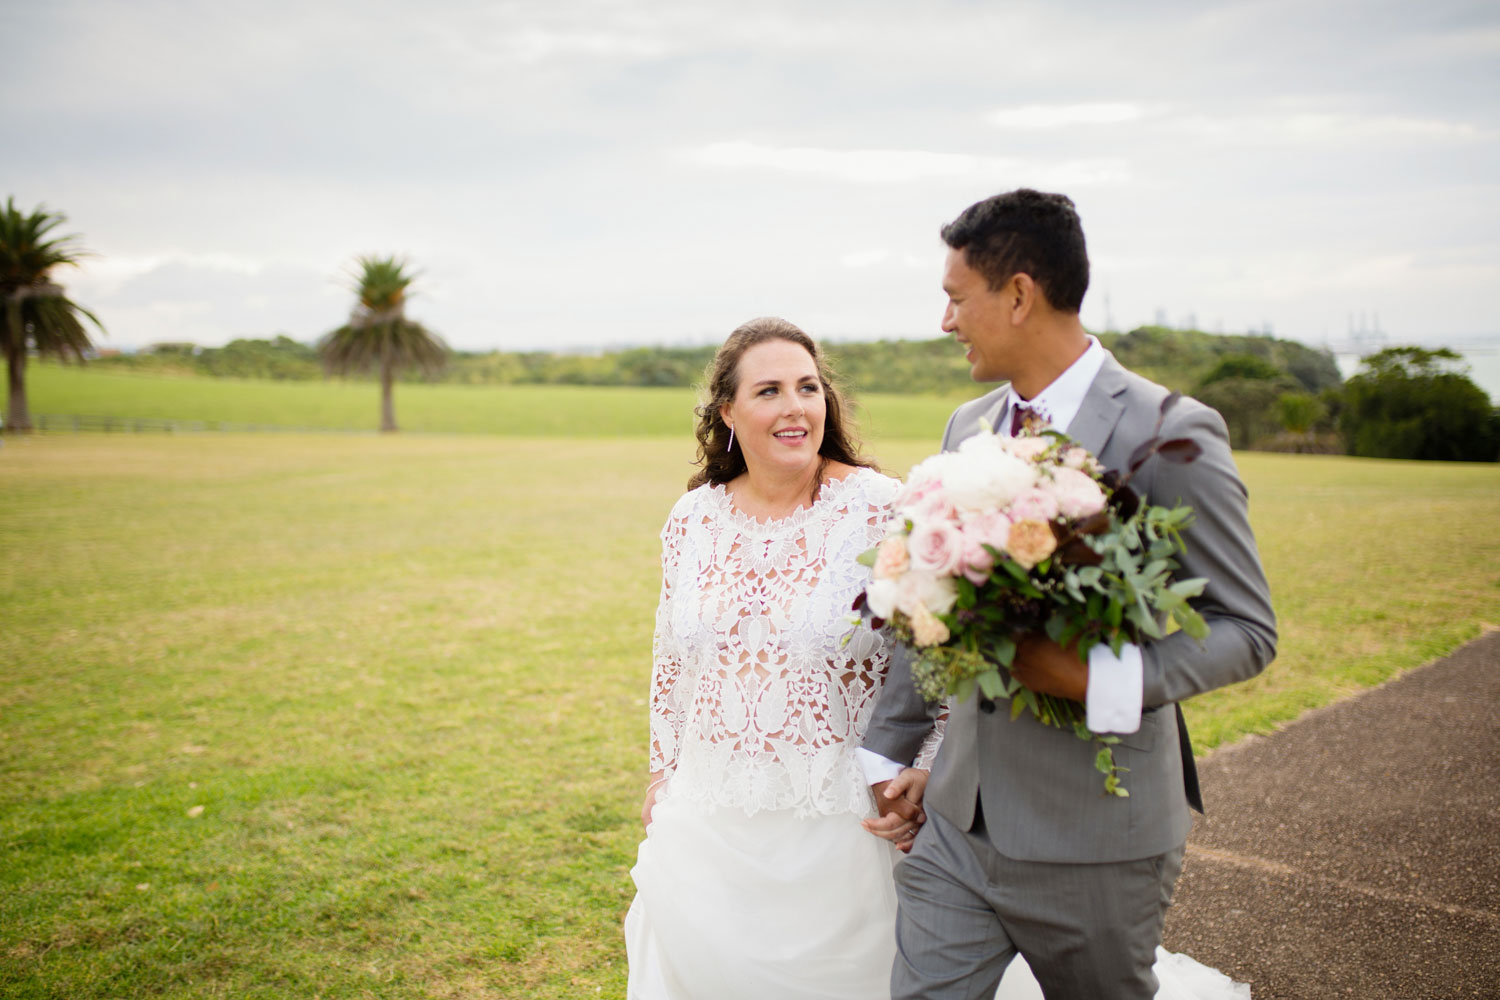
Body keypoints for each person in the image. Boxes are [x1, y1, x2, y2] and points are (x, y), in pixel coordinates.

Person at [860, 189, 1277, 1000]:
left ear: (1018, 294)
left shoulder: (1172, 432)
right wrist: (896, 750)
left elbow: (1246, 628)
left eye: (955, 298)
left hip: (1097, 839)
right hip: (958, 825)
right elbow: (935, 603)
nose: (945, 323)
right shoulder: (966, 427)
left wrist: (1100, 680)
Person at [624, 316, 943, 999]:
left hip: (845, 826)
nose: (796, 406)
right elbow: (671, 660)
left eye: (808, 387)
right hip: (708, 823)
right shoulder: (693, 520)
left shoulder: (883, 509)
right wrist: (662, 770)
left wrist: (923, 772)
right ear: (728, 413)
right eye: (769, 390)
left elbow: (936, 662)